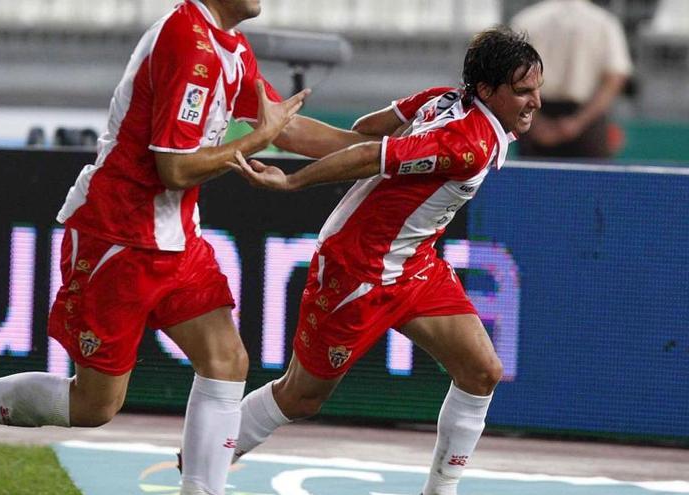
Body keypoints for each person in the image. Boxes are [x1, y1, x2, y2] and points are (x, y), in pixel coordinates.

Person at [0, 1, 372, 494]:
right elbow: (175, 168)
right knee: (94, 406)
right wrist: (255, 140)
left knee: (227, 360)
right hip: (116, 237)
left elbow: (284, 126)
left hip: (174, 240)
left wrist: (381, 150)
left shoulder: (229, 46)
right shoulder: (189, 44)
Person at [227, 27, 542, 495]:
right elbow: (367, 154)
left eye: (537, 88)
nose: (535, 101)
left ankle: (440, 491)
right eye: (521, 92)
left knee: (481, 371)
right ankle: (207, 451)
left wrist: (289, 136)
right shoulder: (466, 144)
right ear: (486, 91)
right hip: (356, 269)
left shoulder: (442, 99)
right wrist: (292, 182)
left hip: (414, 264)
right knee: (301, 395)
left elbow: (361, 132)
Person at [512, 0, 632, 158]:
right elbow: (615, 78)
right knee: (592, 182)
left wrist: (534, 122)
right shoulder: (605, 22)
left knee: (531, 181)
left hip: (534, 114)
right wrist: (578, 122)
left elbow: (511, 75)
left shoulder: (526, 20)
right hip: (586, 120)